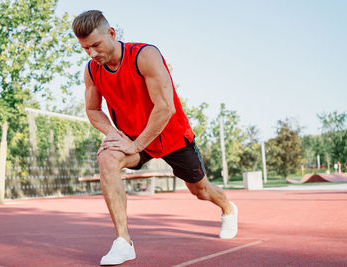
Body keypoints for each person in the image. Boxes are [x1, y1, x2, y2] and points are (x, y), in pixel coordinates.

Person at [72, 10, 238, 266]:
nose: (92, 53)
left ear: (112, 34)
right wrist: (115, 136)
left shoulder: (144, 55)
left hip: (170, 135)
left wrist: (136, 143)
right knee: (107, 158)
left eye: (96, 45)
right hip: (133, 137)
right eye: (85, 48)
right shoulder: (92, 71)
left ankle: (228, 208)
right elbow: (93, 109)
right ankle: (123, 242)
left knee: (200, 190)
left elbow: (165, 107)